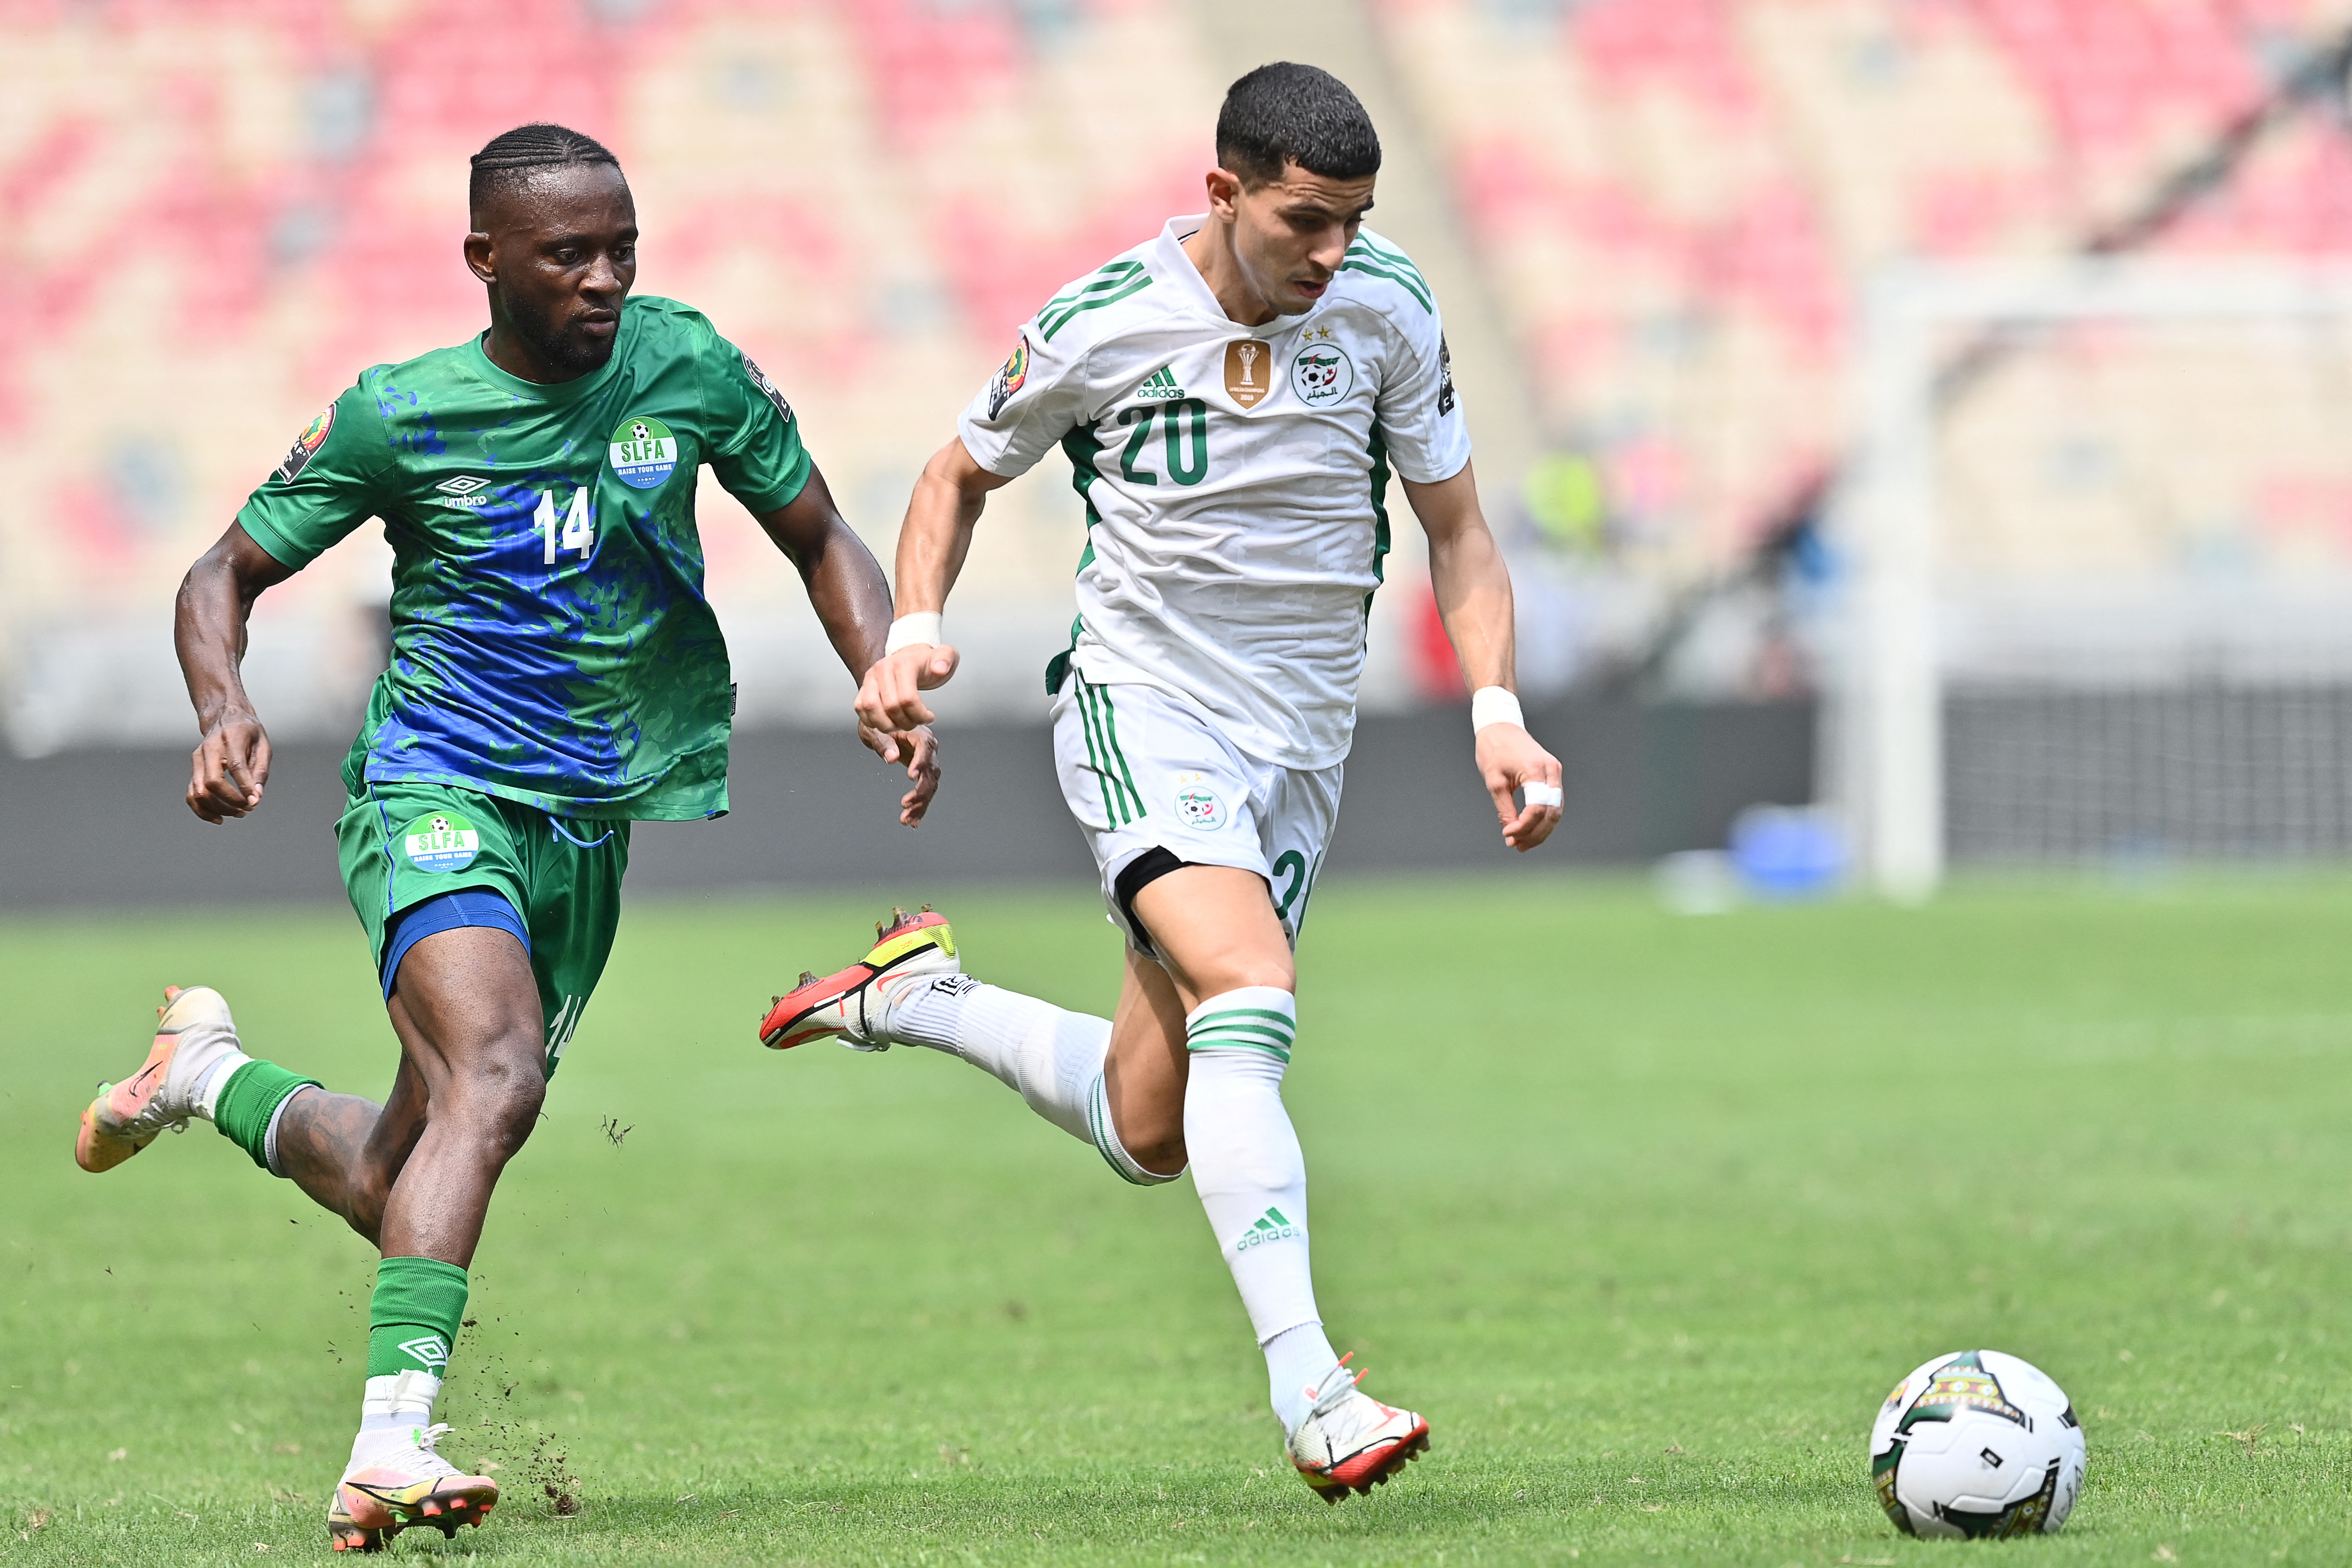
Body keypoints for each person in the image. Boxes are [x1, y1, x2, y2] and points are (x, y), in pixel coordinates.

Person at [73, 123, 935, 1552]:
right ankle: (389, 1448)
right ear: (485, 260)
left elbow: (819, 530)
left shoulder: (690, 365)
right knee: (499, 1071)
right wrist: (221, 706)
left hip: (592, 818)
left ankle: (208, 1078)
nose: (604, 279)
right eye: (568, 254)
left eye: (622, 250)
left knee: (393, 1174)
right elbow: (221, 570)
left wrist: (881, 661)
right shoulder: (400, 413)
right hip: (434, 787)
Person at [759, 64, 1563, 1500]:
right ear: (1223, 193)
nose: (1333, 254)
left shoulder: (1386, 304)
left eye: (1353, 222)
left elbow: (1461, 533)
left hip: (1302, 747)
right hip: (1146, 707)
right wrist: (917, 633)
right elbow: (953, 474)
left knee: (1149, 1123)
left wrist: (1494, 710)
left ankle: (917, 997)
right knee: (1249, 993)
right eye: (1306, 222)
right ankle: (1314, 1386)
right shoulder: (1101, 320)